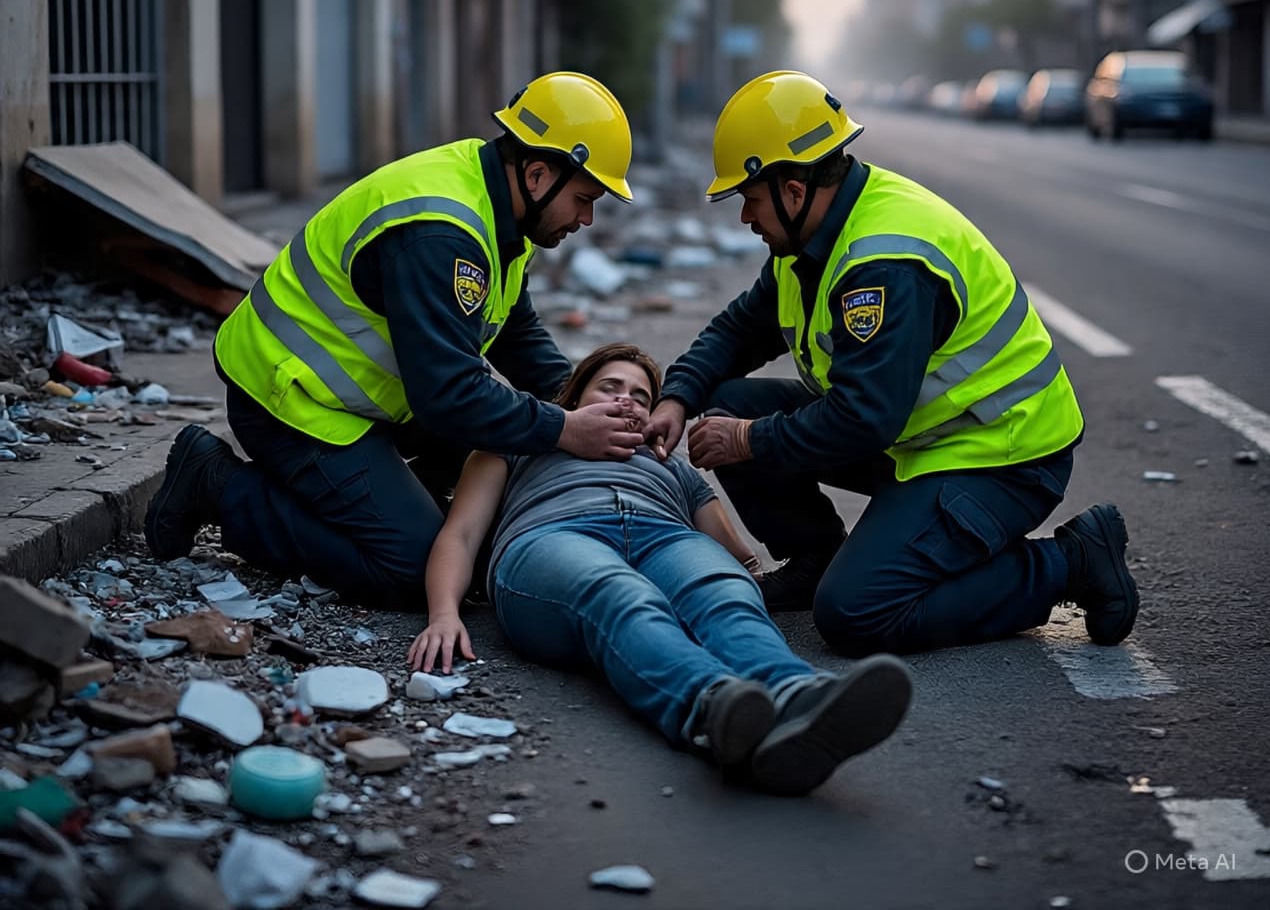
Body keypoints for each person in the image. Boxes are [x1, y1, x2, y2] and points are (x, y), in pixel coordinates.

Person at [644, 70, 1139, 657]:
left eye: (749, 200)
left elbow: (862, 419)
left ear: (793, 190)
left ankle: (1070, 562)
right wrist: (678, 396)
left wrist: (749, 440)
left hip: (1000, 457)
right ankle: (815, 560)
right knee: (724, 402)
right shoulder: (810, 239)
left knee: (857, 613)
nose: (746, 218)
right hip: (917, 439)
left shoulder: (883, 264)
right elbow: (740, 329)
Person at [145, 73, 645, 607]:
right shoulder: (442, 232)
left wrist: (583, 401)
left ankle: (374, 499)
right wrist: (565, 427)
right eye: (584, 198)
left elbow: (515, 332)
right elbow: (451, 394)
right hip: (289, 398)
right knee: (415, 564)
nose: (587, 218)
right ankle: (216, 485)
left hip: (369, 396)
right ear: (539, 173)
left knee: (508, 467)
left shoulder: (500, 208)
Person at [409, 342, 913, 797]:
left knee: (722, 592)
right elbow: (462, 534)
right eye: (609, 387)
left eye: (640, 395)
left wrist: (743, 568)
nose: (627, 399)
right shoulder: (520, 438)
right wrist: (443, 614)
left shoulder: (668, 462)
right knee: (621, 594)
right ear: (574, 396)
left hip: (665, 537)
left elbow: (736, 554)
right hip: (554, 540)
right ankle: (712, 709)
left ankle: (796, 697)